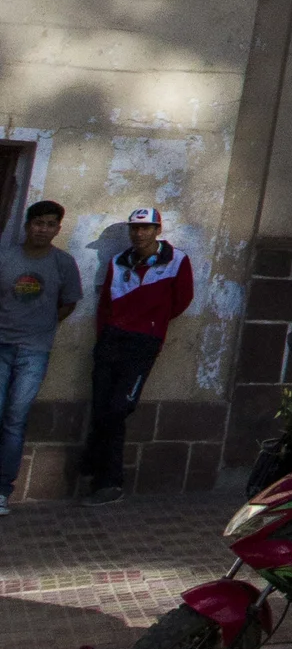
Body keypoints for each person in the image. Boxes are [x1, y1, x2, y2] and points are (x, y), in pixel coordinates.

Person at [80, 208, 194, 499]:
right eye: (135, 228)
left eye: (146, 228)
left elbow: (182, 300)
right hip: (111, 339)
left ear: (157, 230)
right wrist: (107, 331)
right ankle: (102, 479)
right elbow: (106, 301)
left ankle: (107, 478)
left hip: (143, 342)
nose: (139, 234)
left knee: (119, 407)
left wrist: (152, 323)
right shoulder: (119, 261)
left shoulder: (176, 260)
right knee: (102, 405)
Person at [0, 195, 83, 515]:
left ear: (57, 229)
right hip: (2, 345)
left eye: (50, 225)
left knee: (15, 420)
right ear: (27, 226)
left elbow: (69, 302)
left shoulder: (63, 263)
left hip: (34, 350)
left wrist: (43, 326)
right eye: (38, 223)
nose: (43, 229)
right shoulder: (6, 258)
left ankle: (3, 490)